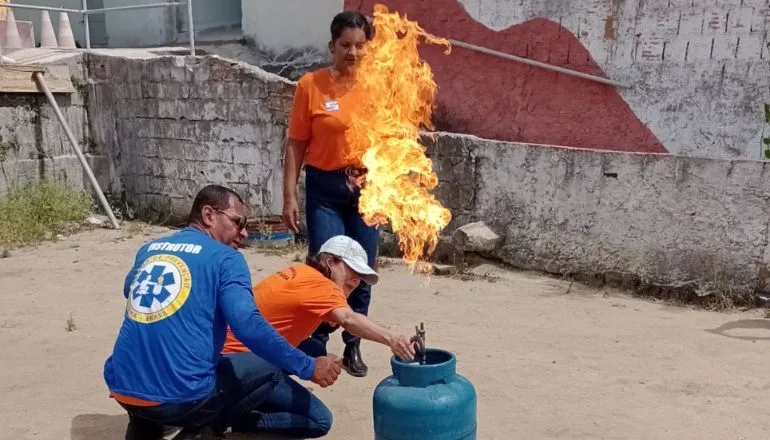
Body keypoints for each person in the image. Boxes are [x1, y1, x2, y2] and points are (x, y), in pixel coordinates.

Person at [103, 185, 342, 440]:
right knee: (268, 366)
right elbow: (248, 325)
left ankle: (144, 426)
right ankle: (204, 429)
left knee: (156, 387)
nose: (244, 232)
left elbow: (131, 290)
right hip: (182, 396)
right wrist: (307, 366)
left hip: (121, 387)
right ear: (208, 215)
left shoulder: (150, 249)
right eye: (238, 222)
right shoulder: (226, 258)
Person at [220, 235, 417, 438]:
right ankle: (234, 420)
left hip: (227, 354)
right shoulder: (323, 287)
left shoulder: (301, 273)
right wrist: (393, 339)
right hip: (240, 366)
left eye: (360, 276)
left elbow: (343, 316)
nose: (356, 280)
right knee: (319, 420)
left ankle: (250, 401)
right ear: (330, 261)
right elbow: (349, 319)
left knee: (314, 348)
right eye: (352, 271)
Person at [282, 10, 379, 377]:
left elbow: (393, 141)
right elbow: (295, 145)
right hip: (325, 187)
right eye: (345, 45)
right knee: (326, 270)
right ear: (332, 46)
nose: (353, 53)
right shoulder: (311, 85)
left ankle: (353, 344)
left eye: (359, 45)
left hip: (369, 189)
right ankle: (315, 343)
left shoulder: (380, 86)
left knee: (361, 271)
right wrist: (289, 196)